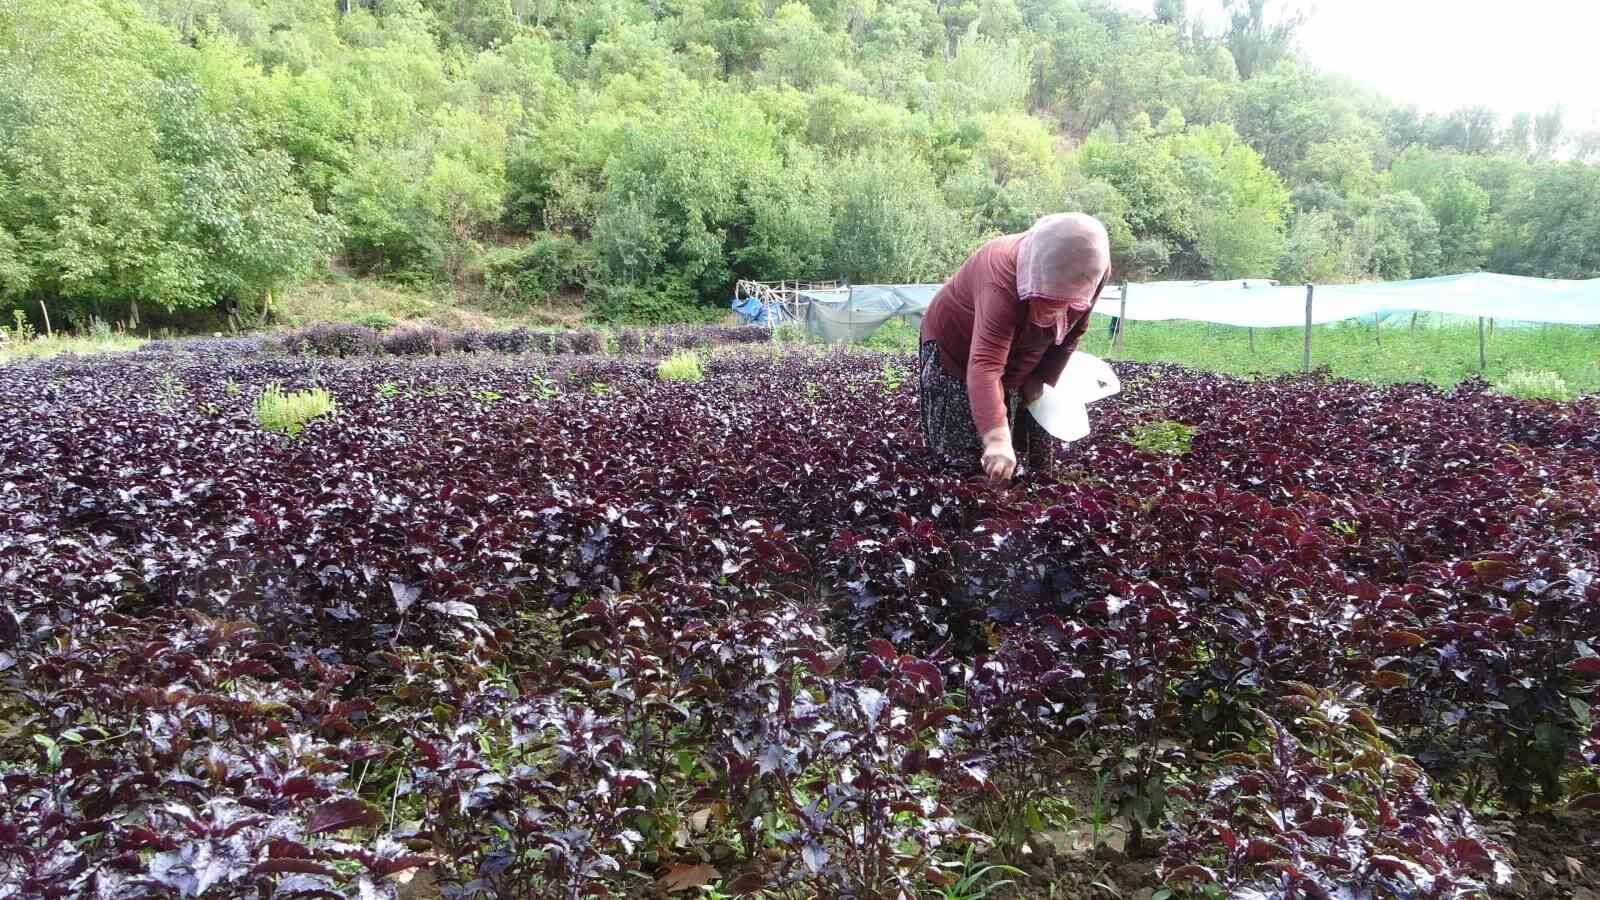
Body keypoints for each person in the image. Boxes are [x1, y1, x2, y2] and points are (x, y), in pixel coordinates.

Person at [917, 212, 1111, 482]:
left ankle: (1020, 498)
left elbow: (1075, 329)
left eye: (1063, 303)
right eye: (1045, 300)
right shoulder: (999, 278)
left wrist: (1041, 376)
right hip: (958, 351)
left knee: (1030, 447)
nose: (1051, 311)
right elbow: (985, 365)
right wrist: (996, 439)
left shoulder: (1092, 269)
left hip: (1023, 355)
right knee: (965, 460)